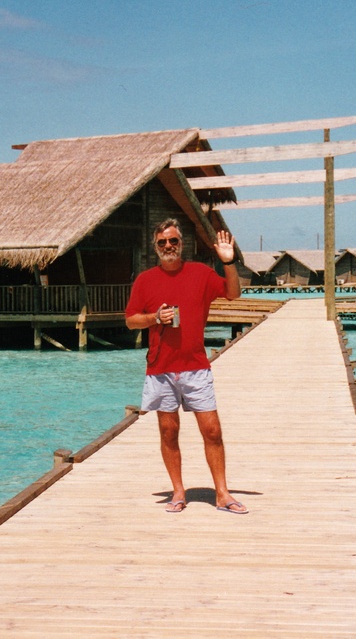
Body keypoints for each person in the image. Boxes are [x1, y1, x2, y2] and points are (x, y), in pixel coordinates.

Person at [124, 218, 248, 515]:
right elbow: (130, 320)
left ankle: (222, 493)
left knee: (213, 431)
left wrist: (228, 262)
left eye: (173, 241)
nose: (168, 246)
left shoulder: (200, 274)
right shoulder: (145, 280)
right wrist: (155, 318)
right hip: (160, 369)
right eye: (162, 242)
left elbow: (233, 293)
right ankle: (178, 491)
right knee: (169, 432)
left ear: (182, 244)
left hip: (195, 366)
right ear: (155, 247)